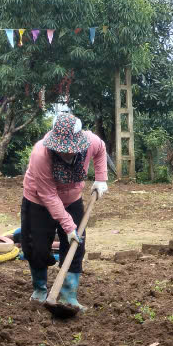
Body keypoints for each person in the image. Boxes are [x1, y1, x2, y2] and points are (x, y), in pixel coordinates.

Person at [20, 109, 107, 310]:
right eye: (62, 148)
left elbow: (101, 149)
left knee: (77, 246)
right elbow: (49, 196)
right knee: (36, 246)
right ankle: (40, 290)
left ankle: (68, 295)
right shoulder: (40, 154)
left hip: (72, 198)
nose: (66, 152)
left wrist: (101, 178)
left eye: (70, 148)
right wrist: (68, 227)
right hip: (39, 201)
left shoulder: (90, 142)